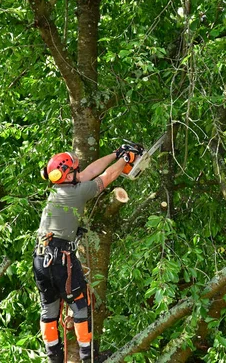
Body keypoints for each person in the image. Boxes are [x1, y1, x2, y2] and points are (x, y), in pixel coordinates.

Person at [34, 148, 133, 363]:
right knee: (80, 305)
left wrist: (116, 153)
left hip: (41, 258)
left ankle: (54, 358)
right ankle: (88, 358)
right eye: (74, 170)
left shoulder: (58, 189)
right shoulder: (78, 192)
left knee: (49, 308)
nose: (79, 172)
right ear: (68, 175)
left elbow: (89, 171)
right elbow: (107, 177)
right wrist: (126, 160)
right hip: (61, 259)